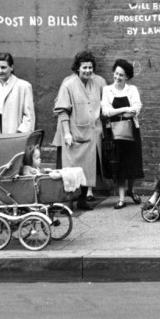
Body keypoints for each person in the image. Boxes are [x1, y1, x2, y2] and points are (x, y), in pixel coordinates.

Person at [53, 51, 107, 210]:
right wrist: (67, 133)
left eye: (90, 67)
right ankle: (68, 203)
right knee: (71, 170)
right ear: (77, 68)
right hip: (74, 134)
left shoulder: (97, 84)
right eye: (84, 67)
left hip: (92, 134)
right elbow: (62, 111)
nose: (88, 71)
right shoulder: (69, 84)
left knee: (87, 169)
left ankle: (83, 199)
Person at [101, 59, 145, 209]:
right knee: (118, 165)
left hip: (132, 131)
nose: (118, 77)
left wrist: (119, 112)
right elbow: (106, 111)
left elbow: (136, 109)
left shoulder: (132, 90)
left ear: (127, 77)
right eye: (116, 73)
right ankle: (121, 198)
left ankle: (131, 190)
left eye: (121, 75)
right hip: (113, 132)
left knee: (132, 164)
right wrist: (124, 110)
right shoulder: (107, 90)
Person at [0, 52, 35, 136]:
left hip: (15, 133)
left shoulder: (23, 86)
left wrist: (20, 134)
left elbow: (29, 117)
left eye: (3, 67)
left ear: (11, 67)